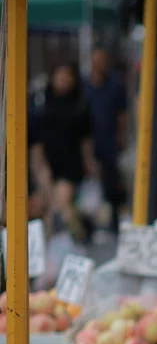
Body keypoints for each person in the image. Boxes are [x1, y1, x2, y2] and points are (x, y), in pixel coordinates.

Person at [34, 62, 99, 234]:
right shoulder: (43, 103)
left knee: (63, 203)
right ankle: (53, 247)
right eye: (59, 76)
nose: (62, 81)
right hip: (48, 163)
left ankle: (75, 239)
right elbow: (37, 139)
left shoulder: (79, 106)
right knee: (48, 207)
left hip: (70, 164)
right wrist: (39, 164)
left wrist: (89, 163)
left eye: (66, 77)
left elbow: (86, 140)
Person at [85, 46, 128, 232]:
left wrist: (122, 137)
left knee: (112, 184)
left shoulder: (115, 85)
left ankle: (113, 222)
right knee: (89, 185)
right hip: (88, 141)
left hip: (109, 141)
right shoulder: (84, 85)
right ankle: (88, 226)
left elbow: (122, 116)